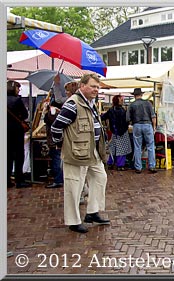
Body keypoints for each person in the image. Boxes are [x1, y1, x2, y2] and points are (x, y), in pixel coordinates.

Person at [51, 73, 109, 233]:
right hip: (76, 153)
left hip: (92, 152)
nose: (96, 89)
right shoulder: (72, 104)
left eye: (98, 87)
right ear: (82, 86)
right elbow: (56, 128)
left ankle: (92, 212)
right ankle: (73, 221)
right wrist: (62, 145)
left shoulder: (90, 103)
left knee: (100, 177)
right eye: (92, 86)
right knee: (74, 186)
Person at [6, 80, 31, 188]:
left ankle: (6, 180)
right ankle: (19, 180)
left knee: (7, 156)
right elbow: (25, 115)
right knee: (18, 156)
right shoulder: (17, 100)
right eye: (18, 88)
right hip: (16, 130)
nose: (19, 90)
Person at [126, 88, 157, 174]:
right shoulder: (148, 103)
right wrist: (154, 127)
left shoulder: (131, 105)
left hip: (137, 125)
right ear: (141, 94)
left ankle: (138, 167)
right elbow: (153, 117)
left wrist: (132, 122)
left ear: (134, 95)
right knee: (150, 146)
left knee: (137, 146)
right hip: (148, 125)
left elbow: (127, 118)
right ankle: (152, 166)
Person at [101, 95, 132, 171]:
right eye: (121, 100)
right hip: (122, 132)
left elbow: (103, 117)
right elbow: (126, 120)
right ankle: (120, 165)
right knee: (122, 149)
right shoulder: (122, 110)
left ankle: (110, 163)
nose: (122, 101)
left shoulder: (111, 110)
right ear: (117, 101)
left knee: (112, 148)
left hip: (114, 132)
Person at [44, 98, 65, 188]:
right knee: (58, 160)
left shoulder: (53, 114)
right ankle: (59, 179)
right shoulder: (61, 113)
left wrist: (47, 112)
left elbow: (51, 122)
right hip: (57, 141)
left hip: (55, 142)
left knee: (57, 161)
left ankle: (58, 180)